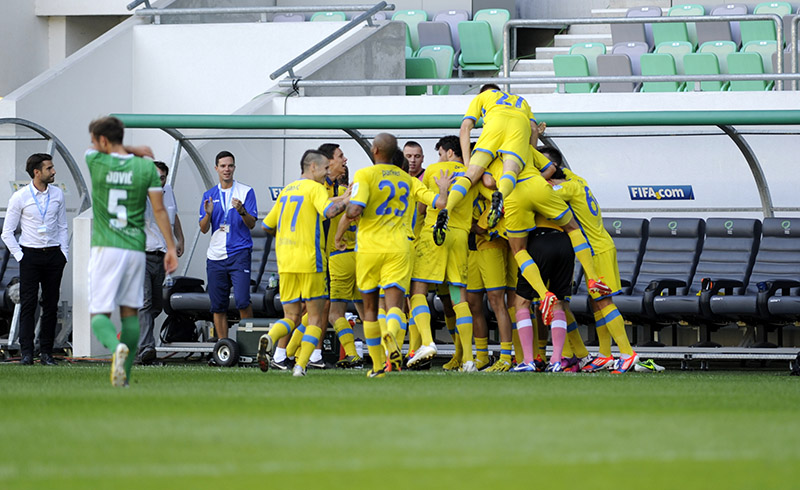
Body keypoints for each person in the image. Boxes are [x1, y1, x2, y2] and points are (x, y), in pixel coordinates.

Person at [335, 133, 450, 378]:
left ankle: (378, 366)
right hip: (400, 247)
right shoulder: (409, 180)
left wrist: (345, 206)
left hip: (368, 248)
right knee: (396, 304)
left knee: (370, 308)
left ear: (375, 150)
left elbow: (355, 209)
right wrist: (443, 190)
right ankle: (392, 336)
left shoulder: (364, 175)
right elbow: (439, 203)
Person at [85, 116, 177, 387]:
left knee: (99, 315)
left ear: (102, 141)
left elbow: (95, 150)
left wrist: (131, 148)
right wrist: (171, 247)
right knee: (131, 312)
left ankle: (116, 351)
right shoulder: (146, 169)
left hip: (105, 246)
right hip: (136, 249)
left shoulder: (95, 161)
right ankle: (124, 370)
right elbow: (159, 211)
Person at [539, 145, 639, 373]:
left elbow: (540, 192)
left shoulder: (567, 188)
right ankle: (605, 354)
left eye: (542, 165)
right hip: (598, 247)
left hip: (597, 250)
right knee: (597, 302)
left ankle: (627, 353)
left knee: (604, 301)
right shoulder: (576, 179)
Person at [257, 150, 351, 377]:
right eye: (325, 168)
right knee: (317, 318)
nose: (328, 172)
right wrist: (347, 201)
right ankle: (300, 366)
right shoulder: (316, 188)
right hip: (311, 261)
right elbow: (329, 211)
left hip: (286, 263)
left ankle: (269, 337)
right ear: (313, 168)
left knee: (290, 317)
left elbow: (267, 226)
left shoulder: (286, 190)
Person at [432, 84, 541, 244]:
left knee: (470, 176)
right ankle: (501, 196)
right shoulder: (521, 100)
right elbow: (533, 128)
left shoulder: (483, 97)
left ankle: (447, 210)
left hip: (494, 126)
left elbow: (465, 127)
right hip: (518, 127)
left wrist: (468, 162)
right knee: (510, 172)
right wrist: (530, 154)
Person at [407, 135, 477, 372]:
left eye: (439, 153)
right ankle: (468, 359)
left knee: (418, 291)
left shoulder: (434, 170)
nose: (439, 158)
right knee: (459, 299)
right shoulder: (471, 172)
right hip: (459, 236)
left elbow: (422, 206)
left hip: (433, 233)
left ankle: (427, 342)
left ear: (448, 152)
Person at [2, 153, 68, 366]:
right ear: (37, 172)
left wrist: (63, 253)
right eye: (49, 168)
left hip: (53, 255)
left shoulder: (57, 194)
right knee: (28, 305)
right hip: (30, 255)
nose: (54, 171)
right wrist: (21, 257)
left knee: (50, 304)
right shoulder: (20, 197)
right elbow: (7, 232)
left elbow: (62, 226)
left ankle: (47, 353)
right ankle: (27, 352)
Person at [199, 151, 257, 342]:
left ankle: (249, 344)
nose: (227, 169)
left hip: (239, 253)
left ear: (234, 167)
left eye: (230, 165)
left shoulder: (246, 191)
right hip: (215, 257)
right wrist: (208, 214)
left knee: (242, 300)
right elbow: (204, 229)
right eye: (223, 166)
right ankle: (223, 346)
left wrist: (241, 210)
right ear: (216, 168)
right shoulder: (209, 195)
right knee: (218, 305)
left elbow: (251, 224)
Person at [136, 161, 185, 365]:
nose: (159, 181)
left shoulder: (168, 192)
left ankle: (139, 341)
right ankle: (146, 348)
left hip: (162, 256)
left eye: (162, 178)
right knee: (146, 303)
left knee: (156, 305)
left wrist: (180, 239)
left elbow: (173, 215)